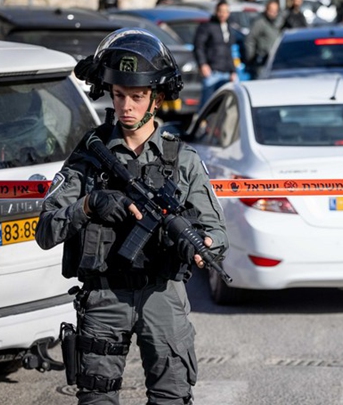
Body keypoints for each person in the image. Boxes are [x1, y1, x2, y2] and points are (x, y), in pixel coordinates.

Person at [35, 28, 229, 404]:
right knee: (98, 398)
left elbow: (216, 231)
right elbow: (46, 229)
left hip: (163, 293)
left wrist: (204, 246)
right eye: (119, 95)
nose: (126, 106)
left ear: (155, 99)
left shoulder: (181, 159)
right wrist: (90, 205)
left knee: (172, 395)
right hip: (105, 295)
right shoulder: (90, 155)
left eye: (137, 97)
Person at [193, 0, 239, 107]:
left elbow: (229, 51)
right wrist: (202, 64)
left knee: (227, 105)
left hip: (227, 72)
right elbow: (198, 46)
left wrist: (233, 70)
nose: (223, 14)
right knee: (207, 105)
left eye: (225, 11)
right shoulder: (207, 26)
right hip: (212, 72)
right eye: (220, 11)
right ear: (216, 11)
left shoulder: (228, 28)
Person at [244, 0, 281, 78]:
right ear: (266, 10)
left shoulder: (277, 23)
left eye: (275, 11)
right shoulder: (260, 23)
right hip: (262, 61)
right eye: (271, 10)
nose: (273, 13)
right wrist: (251, 57)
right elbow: (250, 40)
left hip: (274, 62)